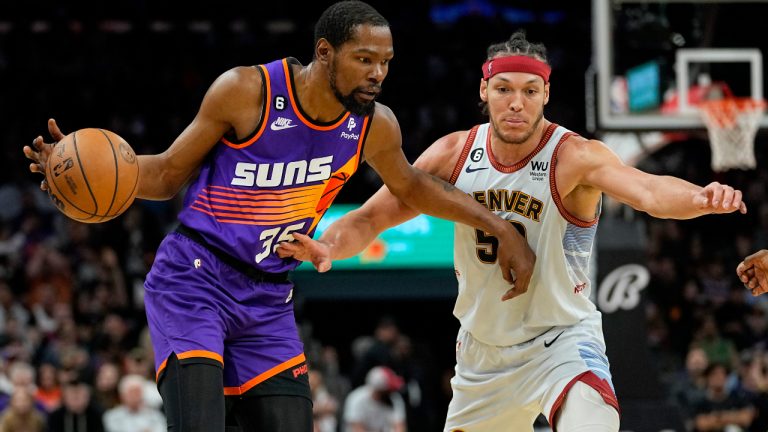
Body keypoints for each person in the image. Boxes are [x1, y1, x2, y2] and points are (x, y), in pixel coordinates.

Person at [23, 2, 533, 430]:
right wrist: (81, 171)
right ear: (325, 53)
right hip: (194, 279)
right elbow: (167, 174)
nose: (377, 73)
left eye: (386, 61)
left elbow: (415, 187)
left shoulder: (375, 126)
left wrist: (497, 226)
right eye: (363, 59)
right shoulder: (247, 92)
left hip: (268, 294)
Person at [277, 30, 749, 431]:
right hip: (483, 353)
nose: (516, 103)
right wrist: (327, 245)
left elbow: (648, 191)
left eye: (528, 90)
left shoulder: (573, 156)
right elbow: (370, 218)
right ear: (484, 91)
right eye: (503, 89)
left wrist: (700, 197)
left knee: (592, 420)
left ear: (546, 94)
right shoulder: (452, 154)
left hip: (561, 340)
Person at [342, 366, 406, 432]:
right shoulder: (356, 398)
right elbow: (356, 428)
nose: (391, 393)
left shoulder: (395, 398)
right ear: (379, 390)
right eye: (387, 390)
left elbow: (400, 427)